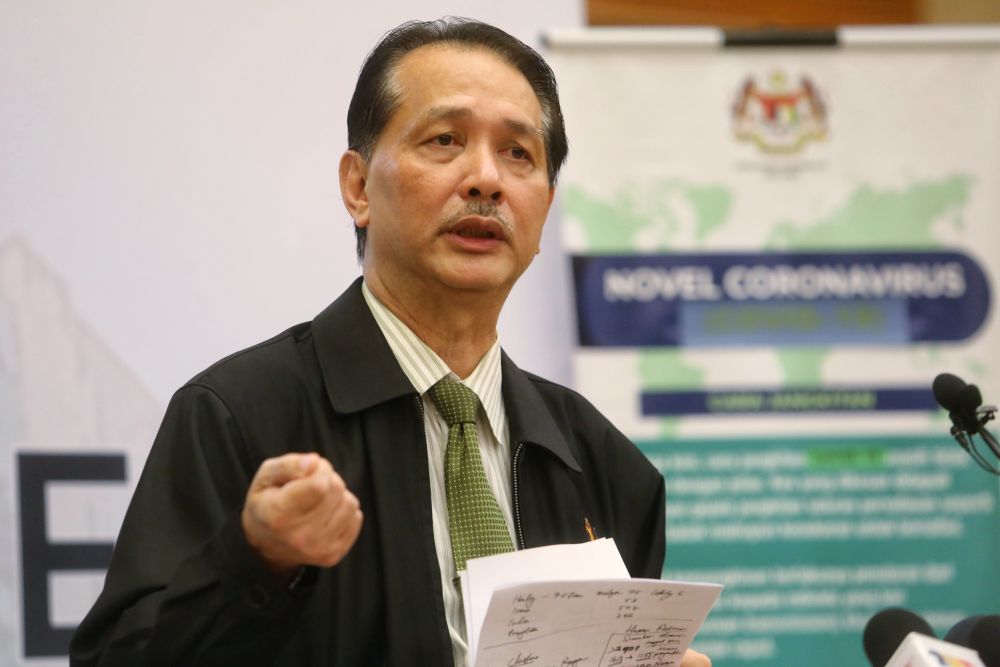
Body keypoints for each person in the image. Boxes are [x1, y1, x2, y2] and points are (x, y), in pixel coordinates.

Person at [70, 17, 711, 667]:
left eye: (519, 153)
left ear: (545, 207)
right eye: (444, 140)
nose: (486, 179)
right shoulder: (239, 415)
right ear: (357, 186)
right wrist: (255, 563)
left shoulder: (603, 463)